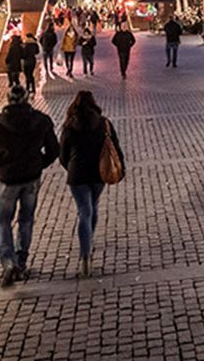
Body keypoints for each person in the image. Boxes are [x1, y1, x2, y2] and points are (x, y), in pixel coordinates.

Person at [0, 84, 59, 285]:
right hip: (31, 178)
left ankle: (8, 262)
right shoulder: (41, 121)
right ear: (27, 99)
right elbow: (53, 150)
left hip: (7, 180)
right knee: (26, 219)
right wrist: (39, 164)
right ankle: (21, 261)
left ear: (8, 100)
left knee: (3, 221)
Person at [59, 90, 124, 278]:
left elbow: (63, 154)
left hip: (77, 176)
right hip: (98, 173)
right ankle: (89, 238)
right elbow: (115, 147)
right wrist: (121, 168)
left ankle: (85, 255)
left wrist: (70, 167)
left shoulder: (69, 126)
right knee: (93, 206)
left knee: (84, 211)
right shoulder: (104, 124)